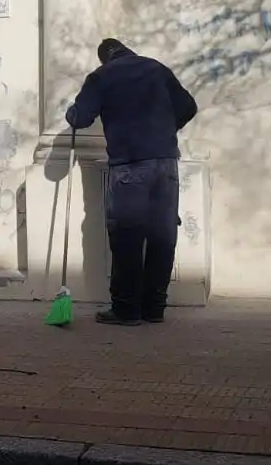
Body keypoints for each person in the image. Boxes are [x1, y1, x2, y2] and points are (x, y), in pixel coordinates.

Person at [66, 38, 198, 326]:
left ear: (105, 58)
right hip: (165, 162)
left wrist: (73, 113)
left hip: (130, 165)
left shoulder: (102, 76)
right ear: (128, 50)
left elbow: (82, 117)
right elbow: (188, 106)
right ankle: (154, 307)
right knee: (162, 235)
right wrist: (164, 129)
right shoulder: (156, 69)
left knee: (127, 236)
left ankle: (126, 309)